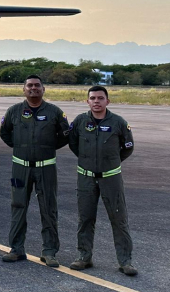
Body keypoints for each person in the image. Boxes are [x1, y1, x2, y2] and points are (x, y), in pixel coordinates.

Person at [0, 75, 70, 267]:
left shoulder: (55, 112)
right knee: (18, 207)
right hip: (20, 167)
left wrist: (47, 147)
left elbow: (65, 135)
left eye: (37, 85)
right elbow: (4, 132)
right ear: (24, 89)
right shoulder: (14, 111)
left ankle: (49, 251)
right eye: (29, 85)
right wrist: (20, 146)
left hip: (46, 167)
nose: (33, 88)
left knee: (49, 208)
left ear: (43, 89)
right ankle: (16, 249)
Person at [68, 86, 137, 276]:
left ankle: (125, 261)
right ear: (87, 101)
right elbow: (73, 143)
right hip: (86, 178)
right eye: (93, 98)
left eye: (100, 98)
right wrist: (87, 160)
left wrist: (111, 162)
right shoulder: (80, 121)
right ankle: (84, 257)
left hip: (111, 179)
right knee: (85, 218)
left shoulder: (118, 123)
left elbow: (128, 147)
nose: (96, 101)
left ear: (108, 101)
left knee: (119, 219)